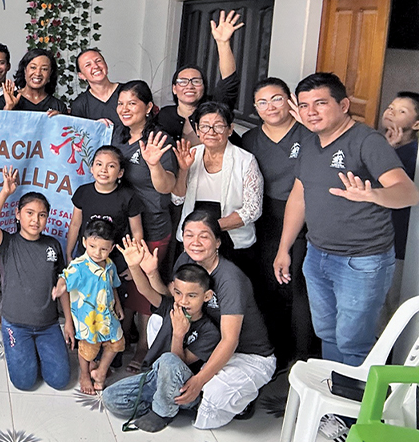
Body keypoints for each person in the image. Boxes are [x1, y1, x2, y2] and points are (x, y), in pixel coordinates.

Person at [274, 73, 419, 367]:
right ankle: (336, 398)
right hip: (317, 255)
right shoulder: (310, 142)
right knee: (327, 333)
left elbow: (408, 193)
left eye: (320, 103)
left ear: (343, 105)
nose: (310, 111)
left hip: (362, 261)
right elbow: (299, 197)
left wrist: (373, 196)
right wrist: (283, 247)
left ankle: (357, 409)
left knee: (354, 341)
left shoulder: (367, 141)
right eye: (303, 105)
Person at [145, 211, 274, 429]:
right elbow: (170, 297)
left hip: (247, 355)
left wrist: (198, 381)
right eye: (189, 235)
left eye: (203, 236)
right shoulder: (186, 259)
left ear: (217, 242)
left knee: (211, 401)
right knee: (157, 321)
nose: (195, 242)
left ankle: (243, 397)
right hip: (206, 342)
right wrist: (149, 272)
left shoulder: (230, 279)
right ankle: (182, 387)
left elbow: (230, 340)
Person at [104, 239, 222, 433]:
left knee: (168, 359)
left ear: (207, 296)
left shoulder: (209, 331)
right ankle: (161, 403)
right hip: (155, 377)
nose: (183, 301)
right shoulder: (170, 306)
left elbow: (178, 363)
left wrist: (178, 333)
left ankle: (163, 412)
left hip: (184, 388)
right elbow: (146, 290)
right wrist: (134, 267)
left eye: (192, 296)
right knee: (111, 398)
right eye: (178, 293)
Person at [239, 77, 316, 366]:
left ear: (290, 101)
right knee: (268, 286)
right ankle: (275, 353)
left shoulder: (308, 134)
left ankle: (303, 356)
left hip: (302, 220)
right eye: (262, 102)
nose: (270, 106)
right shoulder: (250, 140)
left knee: (298, 287)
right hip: (263, 220)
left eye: (277, 99)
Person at [0, 167, 72, 391]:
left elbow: (62, 284)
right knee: (24, 382)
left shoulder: (52, 245)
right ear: (18, 214)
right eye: (30, 213)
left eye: (42, 215)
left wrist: (69, 322)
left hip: (48, 324)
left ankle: (38, 348)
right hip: (16, 324)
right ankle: (22, 346)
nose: (35, 220)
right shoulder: (8, 243)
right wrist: (5, 192)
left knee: (60, 381)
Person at [112, 80, 179, 371]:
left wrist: (153, 165)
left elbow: (169, 187)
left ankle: (143, 348)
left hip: (151, 226)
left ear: (148, 107)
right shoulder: (118, 136)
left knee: (144, 291)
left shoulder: (158, 140)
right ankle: (122, 340)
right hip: (121, 226)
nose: (125, 109)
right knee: (125, 285)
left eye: (132, 103)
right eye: (121, 104)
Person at [65, 146, 146, 371]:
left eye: (111, 166)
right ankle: (88, 356)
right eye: (99, 164)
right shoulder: (83, 192)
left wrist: (135, 263)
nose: (104, 170)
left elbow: (137, 232)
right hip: (88, 259)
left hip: (115, 262)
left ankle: (109, 359)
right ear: (91, 168)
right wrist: (70, 252)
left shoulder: (128, 197)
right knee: (87, 307)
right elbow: (75, 224)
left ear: (120, 173)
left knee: (111, 307)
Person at [172, 101, 263, 280]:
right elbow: (177, 199)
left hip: (233, 241)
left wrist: (209, 230)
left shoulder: (245, 160)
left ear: (230, 129)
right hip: (193, 243)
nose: (211, 132)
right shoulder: (192, 154)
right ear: (197, 130)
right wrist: (183, 169)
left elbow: (253, 210)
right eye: (205, 126)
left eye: (218, 126)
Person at [52, 219, 124, 394]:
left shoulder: (110, 265)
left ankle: (100, 372)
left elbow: (112, 286)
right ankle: (85, 374)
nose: (97, 253)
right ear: (84, 242)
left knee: (118, 342)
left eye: (103, 249)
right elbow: (65, 277)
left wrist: (118, 305)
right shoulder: (79, 266)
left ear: (112, 248)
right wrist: (61, 286)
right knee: (87, 350)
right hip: (88, 320)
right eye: (92, 246)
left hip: (107, 315)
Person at [156, 10, 244, 145]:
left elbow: (229, 82)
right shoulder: (165, 115)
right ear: (174, 88)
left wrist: (223, 43)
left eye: (196, 81)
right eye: (183, 81)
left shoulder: (215, 107)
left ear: (204, 87)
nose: (189, 86)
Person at [380, 91, 419, 327]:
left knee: (393, 304)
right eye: (391, 107)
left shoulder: (413, 155)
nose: (392, 112)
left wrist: (389, 152)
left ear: (416, 124)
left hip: (401, 243)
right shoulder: (380, 144)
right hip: (380, 238)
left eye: (402, 111)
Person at [0, 48, 68, 116]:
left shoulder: (58, 106)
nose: (38, 73)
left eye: (44, 69)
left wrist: (59, 120)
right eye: (33, 67)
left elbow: (66, 129)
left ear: (50, 73)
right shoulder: (5, 100)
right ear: (25, 70)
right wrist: (8, 108)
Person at [70, 48, 123, 128]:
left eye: (98, 61)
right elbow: (78, 136)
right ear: (82, 76)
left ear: (106, 65)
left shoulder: (128, 91)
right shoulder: (79, 105)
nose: (95, 66)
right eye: (88, 65)